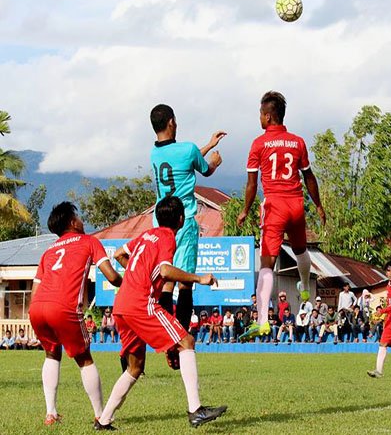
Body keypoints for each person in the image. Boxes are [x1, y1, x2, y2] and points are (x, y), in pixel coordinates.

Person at [95, 196, 226, 430]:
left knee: (134, 367)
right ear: (181, 219)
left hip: (122, 304)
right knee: (186, 341)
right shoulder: (167, 237)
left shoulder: (146, 235)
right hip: (139, 303)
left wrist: (138, 275)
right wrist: (199, 278)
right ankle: (195, 410)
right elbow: (165, 269)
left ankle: (103, 420)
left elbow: (118, 255)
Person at [237, 91, 326, 340]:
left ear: (267, 116)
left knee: (267, 264)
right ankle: (305, 287)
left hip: (274, 206)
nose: (259, 119)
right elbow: (309, 177)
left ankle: (263, 320)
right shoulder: (297, 142)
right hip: (296, 205)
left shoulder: (258, 144)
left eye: (260, 115)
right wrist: (318, 205)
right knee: (300, 251)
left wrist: (245, 210)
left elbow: (252, 185)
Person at [28, 201, 122, 425]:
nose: (83, 221)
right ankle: (101, 415)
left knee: (52, 354)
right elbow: (111, 276)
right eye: (79, 217)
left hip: (37, 307)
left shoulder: (49, 252)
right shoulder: (89, 241)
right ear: (73, 223)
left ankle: (51, 413)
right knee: (84, 358)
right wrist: (130, 282)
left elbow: (35, 289)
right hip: (63, 307)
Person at [149, 104, 225, 333]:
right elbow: (205, 169)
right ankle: (181, 337)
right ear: (172, 122)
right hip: (183, 220)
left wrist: (209, 143)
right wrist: (214, 160)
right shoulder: (188, 149)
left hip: (160, 223)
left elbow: (185, 161)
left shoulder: (155, 153)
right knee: (185, 283)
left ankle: (165, 334)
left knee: (166, 281)